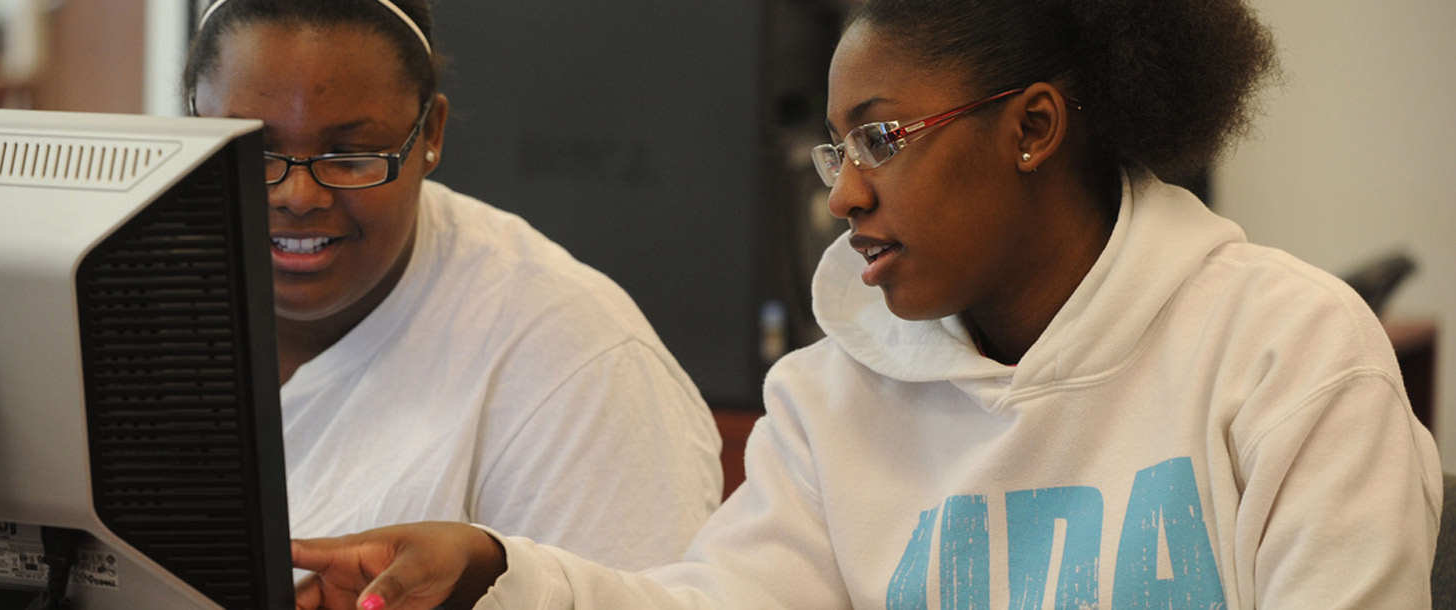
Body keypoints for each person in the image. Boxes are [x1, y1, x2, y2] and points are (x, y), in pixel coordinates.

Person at [288, 0, 1446, 608]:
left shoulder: (1285, 351)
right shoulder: (834, 395)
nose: (842, 191)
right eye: (832, 147)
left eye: (881, 139)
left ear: (1034, 127)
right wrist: (501, 569)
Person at [181, 0, 723, 571]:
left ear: (430, 133)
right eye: (252, 148)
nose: (298, 196)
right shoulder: (109, 288)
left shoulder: (576, 361)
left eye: (351, 154)